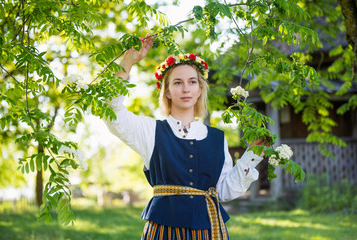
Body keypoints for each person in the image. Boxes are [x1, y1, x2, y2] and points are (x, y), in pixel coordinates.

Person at [104, 35, 269, 240]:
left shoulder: (218, 139)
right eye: (178, 82)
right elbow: (114, 114)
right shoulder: (150, 131)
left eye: (192, 82)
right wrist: (127, 62)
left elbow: (223, 192)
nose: (185, 88)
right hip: (163, 230)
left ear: (200, 90)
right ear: (167, 91)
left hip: (208, 229)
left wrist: (249, 159)